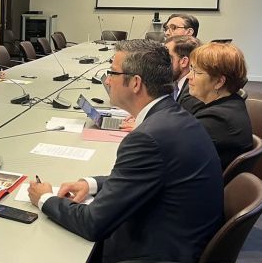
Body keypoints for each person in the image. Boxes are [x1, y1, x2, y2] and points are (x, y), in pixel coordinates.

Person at [28, 39, 223, 263]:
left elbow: (93, 224)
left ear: (136, 83)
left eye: (113, 72)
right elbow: (143, 176)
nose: (108, 80)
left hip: (155, 253)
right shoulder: (171, 115)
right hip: (180, 237)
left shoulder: (148, 138)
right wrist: (91, 184)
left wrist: (45, 198)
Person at [189, 42, 252, 170]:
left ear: (219, 81)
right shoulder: (231, 101)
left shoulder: (216, 120)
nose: (189, 76)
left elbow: (175, 154)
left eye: (197, 72)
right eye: (191, 68)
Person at [165, 35, 204, 114]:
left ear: (184, 62)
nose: (162, 62)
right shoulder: (173, 84)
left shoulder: (193, 93)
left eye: (167, 58)